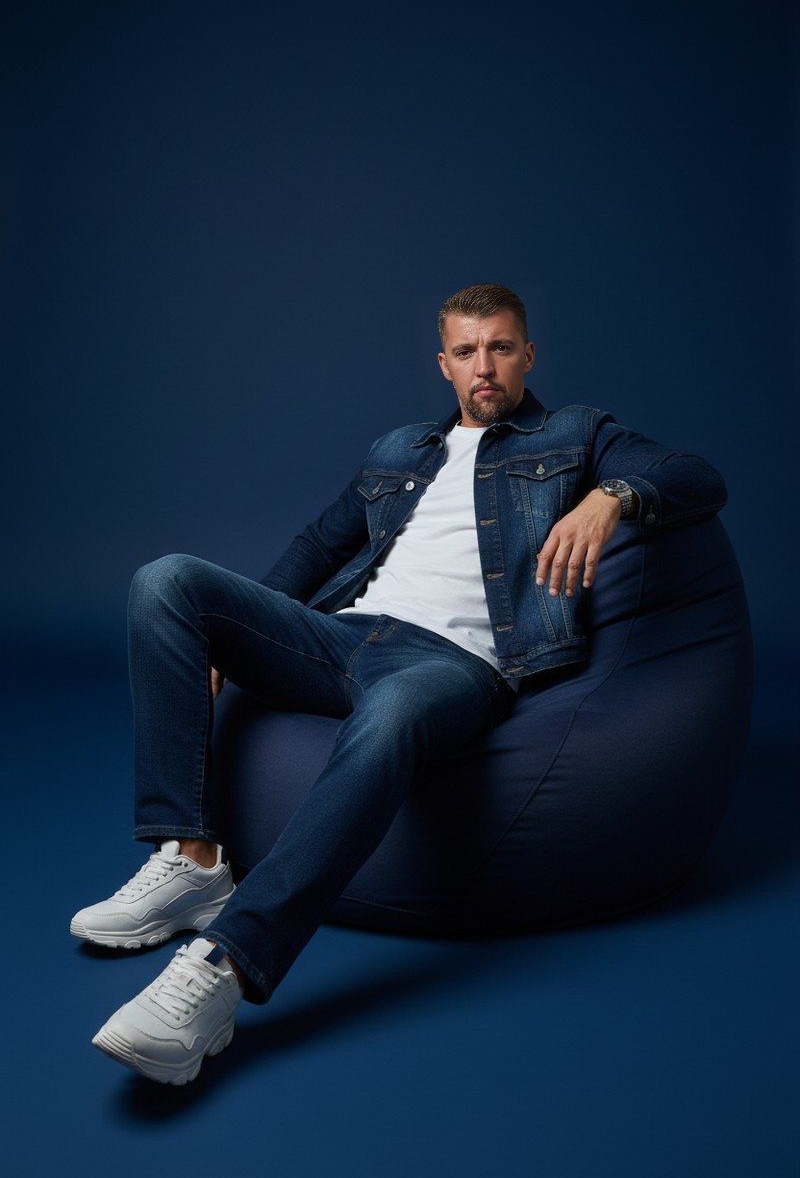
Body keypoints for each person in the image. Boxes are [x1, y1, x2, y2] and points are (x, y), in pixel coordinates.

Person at [72, 283, 727, 1085]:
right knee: (165, 580)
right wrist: (224, 640)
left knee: (390, 715)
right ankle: (192, 859)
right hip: (343, 637)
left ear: (527, 355)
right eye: (466, 351)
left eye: (500, 348)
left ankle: (224, 968)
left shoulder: (577, 433)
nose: (484, 367)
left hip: (455, 662)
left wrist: (611, 497)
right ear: (444, 364)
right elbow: (318, 548)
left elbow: (695, 476)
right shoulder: (399, 450)